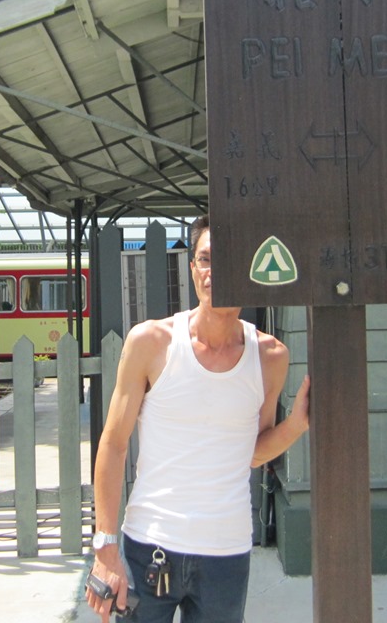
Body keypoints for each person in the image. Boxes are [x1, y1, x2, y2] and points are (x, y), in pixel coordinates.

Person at [86, 215, 311, 623]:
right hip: (149, 545)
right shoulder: (151, 342)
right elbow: (114, 444)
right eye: (206, 260)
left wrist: (296, 425)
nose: (214, 272)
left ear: (250, 271)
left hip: (226, 555)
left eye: (228, 261)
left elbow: (252, 452)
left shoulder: (270, 357)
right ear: (193, 269)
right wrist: (105, 547)